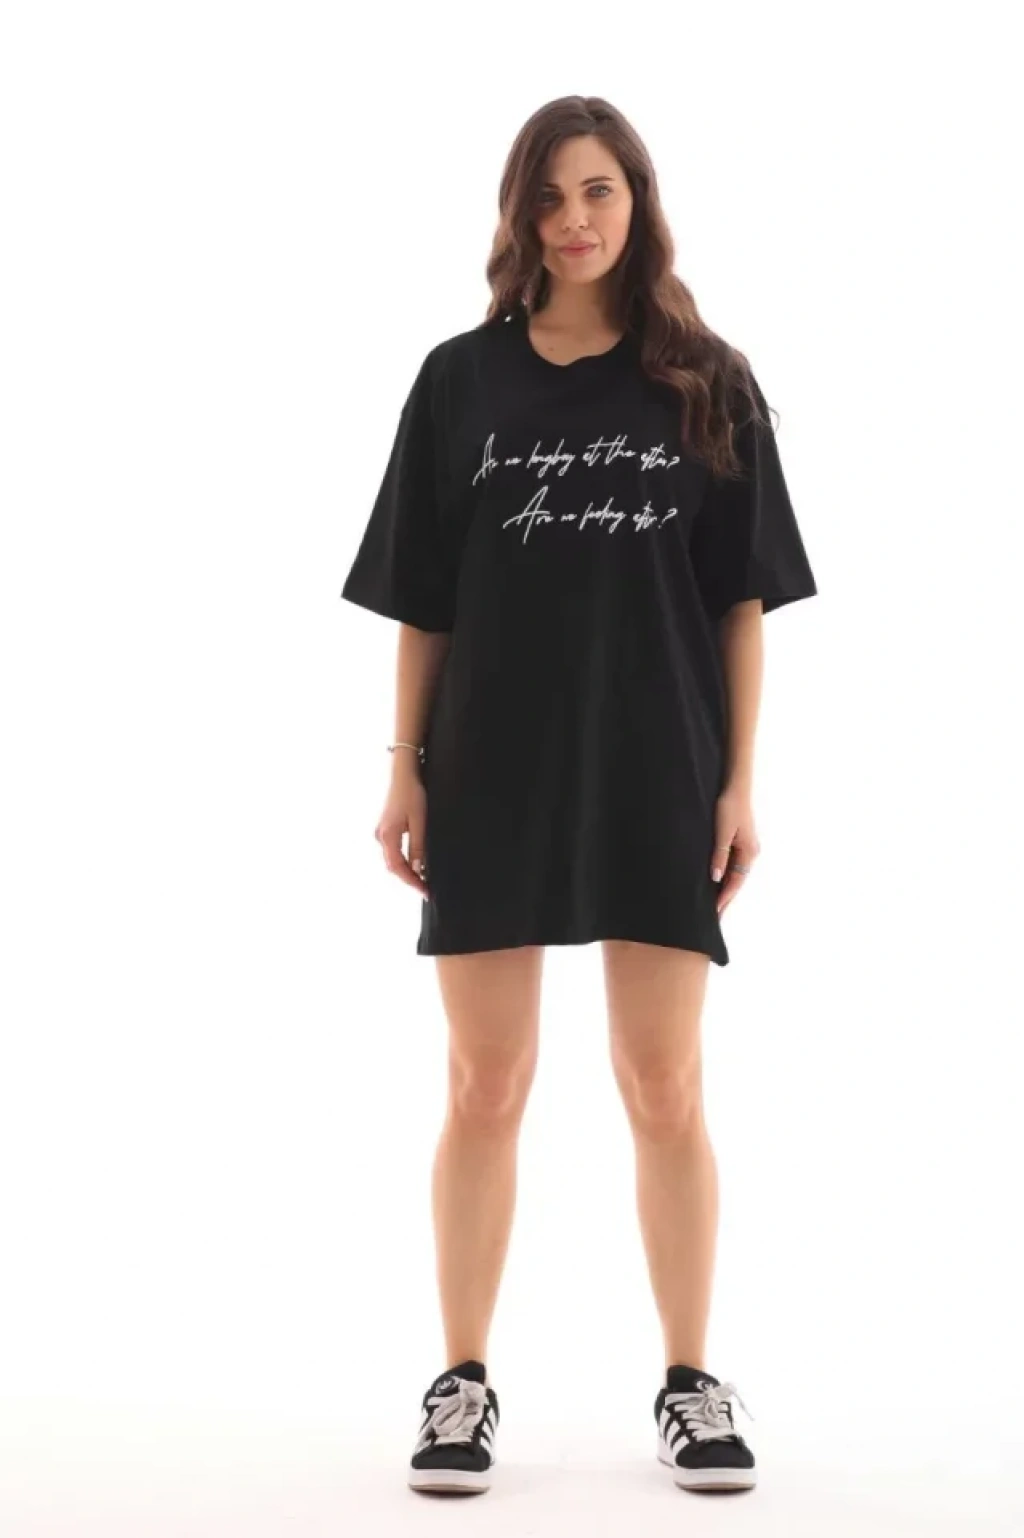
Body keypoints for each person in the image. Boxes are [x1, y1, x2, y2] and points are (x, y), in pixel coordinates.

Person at [340, 95, 817, 1498]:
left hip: (660, 761)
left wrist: (738, 779)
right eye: (549, 196)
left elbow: (740, 603)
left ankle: (690, 1379)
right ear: (519, 214)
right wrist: (402, 766)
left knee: (664, 1083)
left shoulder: (706, 382)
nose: (574, 219)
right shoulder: (459, 382)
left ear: (637, 200)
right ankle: (462, 1381)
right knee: (485, 1081)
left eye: (598, 189)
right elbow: (423, 600)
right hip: (490, 763)